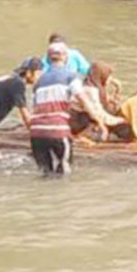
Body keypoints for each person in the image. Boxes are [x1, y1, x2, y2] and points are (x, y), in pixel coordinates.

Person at [30, 42, 108, 176]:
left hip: (36, 134)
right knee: (64, 173)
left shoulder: (39, 81)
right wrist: (101, 123)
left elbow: (35, 107)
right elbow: (84, 101)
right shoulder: (70, 77)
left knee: (44, 174)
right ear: (65, 57)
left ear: (48, 59)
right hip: (57, 132)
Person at [69, 61, 123, 140]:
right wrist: (120, 120)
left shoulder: (91, 85)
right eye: (109, 76)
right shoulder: (90, 90)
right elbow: (99, 114)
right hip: (78, 122)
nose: (111, 79)